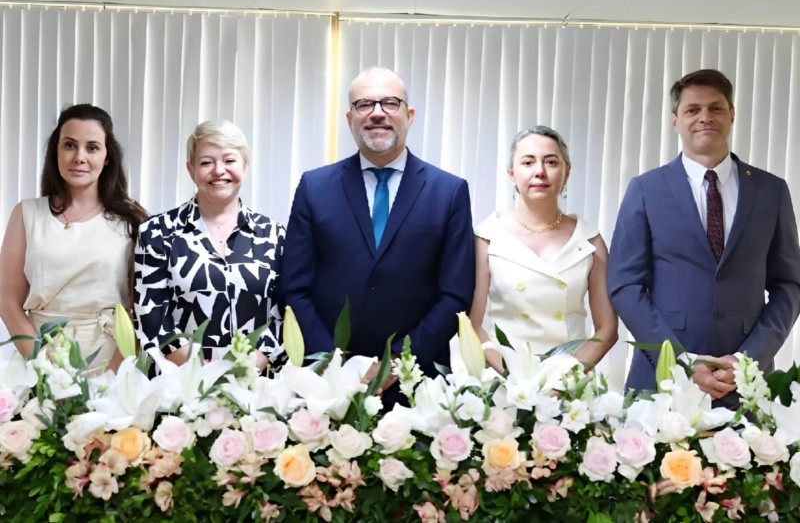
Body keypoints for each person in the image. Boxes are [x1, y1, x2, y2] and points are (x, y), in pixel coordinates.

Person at [281, 67, 475, 402]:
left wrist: (398, 363)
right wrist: (333, 363)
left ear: (409, 115)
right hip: (328, 383)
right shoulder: (315, 187)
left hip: (418, 384)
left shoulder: (449, 191)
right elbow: (294, 286)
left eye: (389, 103)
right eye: (364, 105)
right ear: (349, 118)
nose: (377, 114)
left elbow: (456, 294)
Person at [608, 69, 800, 405]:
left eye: (716, 108)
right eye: (692, 110)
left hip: (744, 384)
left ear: (732, 115)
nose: (705, 118)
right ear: (675, 120)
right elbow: (625, 285)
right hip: (662, 379)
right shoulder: (645, 189)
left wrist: (748, 360)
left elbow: (789, 285)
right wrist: (681, 361)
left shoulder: (771, 191)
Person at [0, 104, 148, 371]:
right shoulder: (26, 214)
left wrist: (117, 370)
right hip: (40, 358)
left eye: (92, 147)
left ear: (107, 157)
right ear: (55, 152)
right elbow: (7, 302)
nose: (79, 156)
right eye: (69, 145)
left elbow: (142, 306)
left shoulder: (133, 219)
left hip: (114, 359)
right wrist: (45, 366)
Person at [134, 120, 285, 370]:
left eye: (229, 160)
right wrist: (204, 375)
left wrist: (246, 370)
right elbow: (152, 317)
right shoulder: (156, 233)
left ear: (245, 166)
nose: (218, 170)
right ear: (190, 169)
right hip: (181, 387)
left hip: (258, 388)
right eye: (206, 162)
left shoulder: (274, 235)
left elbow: (284, 314)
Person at [470, 127, 618, 372]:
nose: (540, 171)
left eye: (551, 162)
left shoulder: (589, 240)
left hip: (570, 381)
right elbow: (472, 325)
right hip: (503, 376)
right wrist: (513, 374)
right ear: (511, 173)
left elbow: (607, 330)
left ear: (566, 173)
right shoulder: (487, 236)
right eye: (528, 162)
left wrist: (563, 379)